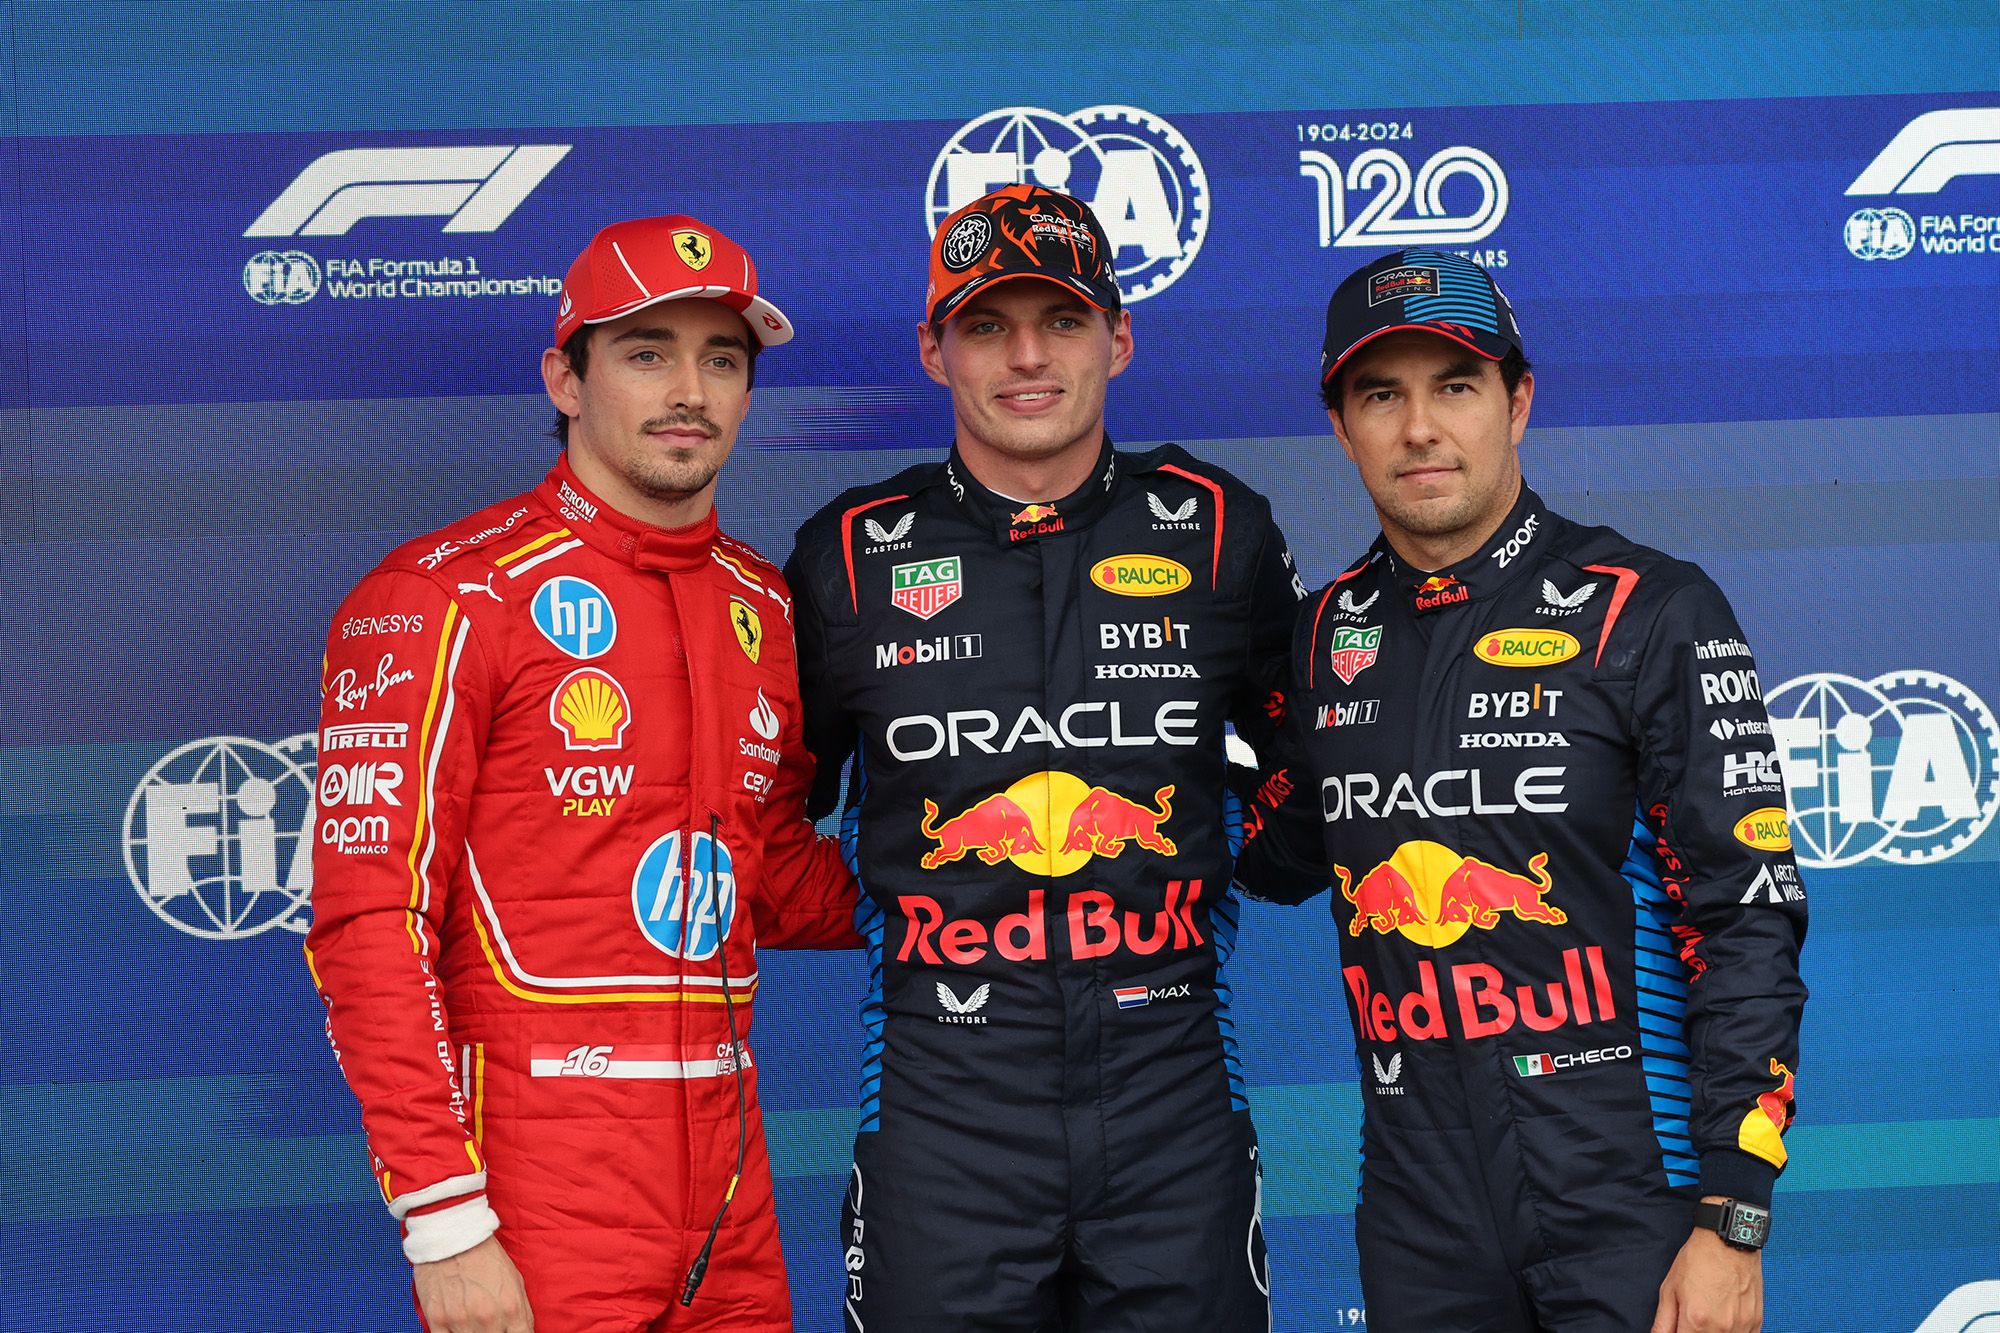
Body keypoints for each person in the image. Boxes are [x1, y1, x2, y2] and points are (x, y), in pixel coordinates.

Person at [305, 214, 859, 1333]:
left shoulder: (763, 602)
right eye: (647, 353)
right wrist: (445, 1220)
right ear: (566, 379)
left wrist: (981, 879)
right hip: (533, 1186)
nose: (689, 392)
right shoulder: (444, 595)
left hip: (729, 1190)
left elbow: (768, 871)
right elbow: (369, 921)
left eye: (721, 360)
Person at [1236, 248, 1808, 1333]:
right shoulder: (1320, 639)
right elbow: (1277, 853)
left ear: (1517, 401)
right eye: (1380, 395)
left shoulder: (1648, 611)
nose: (1419, 428)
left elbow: (1744, 917)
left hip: (1630, 1198)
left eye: (1455, 386)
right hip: (1417, 1212)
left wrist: (1731, 1218)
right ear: (1340, 426)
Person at [783, 183, 1308, 1332]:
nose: (1027, 357)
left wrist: (1226, 840)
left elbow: (1316, 774)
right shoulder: (848, 554)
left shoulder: (1219, 527)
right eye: (986, 325)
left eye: (1062, 320)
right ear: (933, 351)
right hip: (938, 1107)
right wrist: (911, 914)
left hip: (1173, 1099)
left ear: (1117, 337)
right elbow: (766, 817)